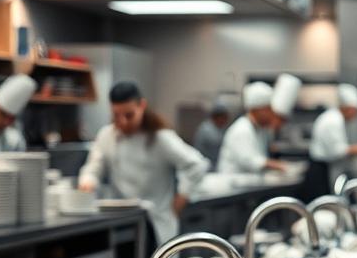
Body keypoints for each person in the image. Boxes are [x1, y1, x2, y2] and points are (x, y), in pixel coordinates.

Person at [77, 81, 209, 246]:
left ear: (142, 106)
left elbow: (196, 164)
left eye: (129, 115)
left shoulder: (160, 138)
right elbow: (93, 166)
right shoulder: (106, 136)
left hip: (155, 226)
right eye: (116, 116)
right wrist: (88, 181)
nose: (123, 122)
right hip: (120, 224)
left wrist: (181, 199)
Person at [309, 84, 357, 190]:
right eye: (356, 111)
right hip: (320, 170)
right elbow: (337, 151)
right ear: (348, 108)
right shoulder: (333, 121)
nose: (356, 116)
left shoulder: (336, 118)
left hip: (324, 168)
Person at [217, 81, 288, 175]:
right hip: (233, 184)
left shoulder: (259, 129)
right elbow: (250, 162)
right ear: (258, 110)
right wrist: (280, 166)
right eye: (269, 109)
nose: (272, 114)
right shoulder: (242, 129)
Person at [192, 101, 230, 168]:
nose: (226, 120)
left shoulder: (221, 128)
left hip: (215, 166)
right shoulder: (206, 130)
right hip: (207, 166)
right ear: (217, 117)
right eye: (224, 117)